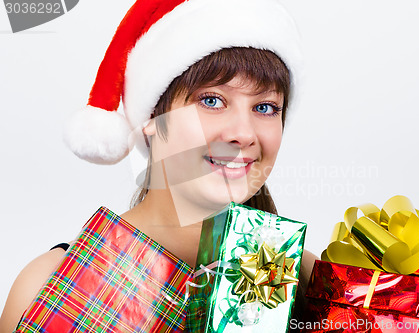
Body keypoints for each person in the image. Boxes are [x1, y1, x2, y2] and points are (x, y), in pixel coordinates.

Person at [0, 0, 317, 331]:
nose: (243, 133)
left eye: (265, 107)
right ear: (153, 120)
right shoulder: (45, 287)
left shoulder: (307, 279)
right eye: (211, 101)